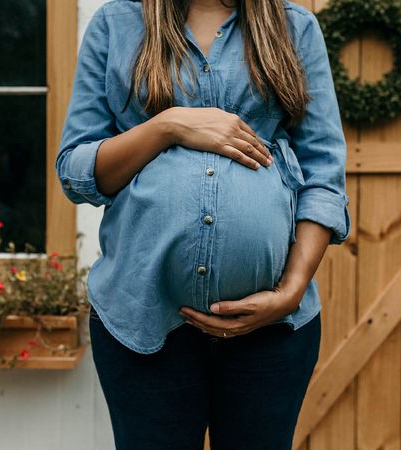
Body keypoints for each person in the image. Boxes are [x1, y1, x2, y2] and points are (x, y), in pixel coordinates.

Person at [55, 0, 351, 448]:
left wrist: (290, 292)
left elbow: (324, 175)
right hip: (142, 321)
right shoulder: (116, 25)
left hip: (271, 330)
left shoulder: (295, 27)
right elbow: (76, 170)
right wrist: (168, 125)